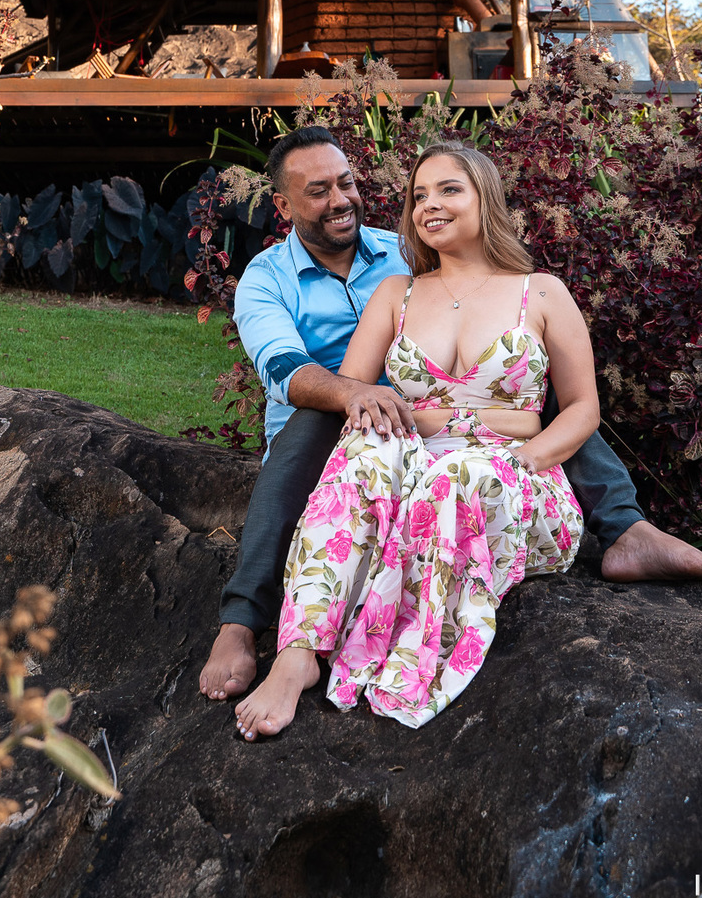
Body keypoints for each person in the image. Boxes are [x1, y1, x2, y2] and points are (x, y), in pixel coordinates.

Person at [198, 126, 702, 707]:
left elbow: (564, 389)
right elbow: (286, 371)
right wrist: (359, 397)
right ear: (284, 207)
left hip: (467, 439)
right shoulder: (269, 278)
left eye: (348, 183)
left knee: (529, 379)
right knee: (329, 430)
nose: (341, 200)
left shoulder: (406, 251)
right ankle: (250, 624)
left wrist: (512, 438)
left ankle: (628, 530)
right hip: (346, 413)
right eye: (320, 190)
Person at [236, 141, 596, 732]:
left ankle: (403, 656)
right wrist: (382, 444)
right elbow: (351, 393)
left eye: (449, 189)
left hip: (511, 476)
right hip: (417, 465)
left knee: (455, 477)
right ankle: (297, 652)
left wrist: (526, 460)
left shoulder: (543, 292)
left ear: (486, 195)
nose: (430, 204)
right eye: (419, 194)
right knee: (360, 458)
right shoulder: (396, 292)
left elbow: (582, 407)